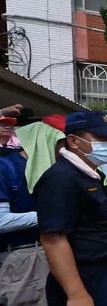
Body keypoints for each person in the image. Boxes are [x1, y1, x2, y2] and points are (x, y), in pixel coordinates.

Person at [33, 111, 107, 306]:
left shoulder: (89, 174)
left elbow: (82, 218)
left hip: (106, 271)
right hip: (86, 278)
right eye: (101, 138)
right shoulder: (60, 179)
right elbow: (53, 240)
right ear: (73, 141)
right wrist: (77, 294)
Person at [0, 116, 65, 306]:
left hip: (53, 251)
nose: (63, 152)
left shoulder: (53, 171)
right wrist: (49, 215)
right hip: (23, 259)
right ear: (43, 141)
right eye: (59, 145)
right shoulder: (6, 169)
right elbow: (1, 221)